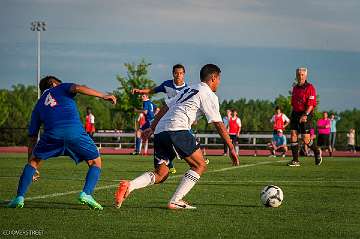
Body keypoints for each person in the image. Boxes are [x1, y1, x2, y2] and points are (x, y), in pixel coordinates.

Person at [114, 64, 239, 210]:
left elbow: (166, 107)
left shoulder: (188, 88)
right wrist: (231, 147)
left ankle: (130, 185)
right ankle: (176, 200)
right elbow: (218, 124)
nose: (219, 82)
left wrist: (152, 128)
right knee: (199, 165)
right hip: (177, 129)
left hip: (161, 130)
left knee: (161, 174)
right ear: (213, 77)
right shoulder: (208, 94)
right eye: (219, 79)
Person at [7, 76, 117, 209]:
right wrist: (103, 95)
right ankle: (86, 193)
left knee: (33, 162)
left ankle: (19, 197)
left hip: (52, 135)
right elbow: (78, 87)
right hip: (74, 132)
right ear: (54, 84)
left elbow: (32, 137)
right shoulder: (61, 88)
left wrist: (32, 165)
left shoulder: (38, 105)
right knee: (95, 162)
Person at [132, 64, 187, 173]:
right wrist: (140, 91)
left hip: (180, 119)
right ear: (173, 73)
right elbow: (153, 90)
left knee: (183, 139)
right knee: (162, 139)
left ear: (184, 74)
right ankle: (168, 163)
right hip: (167, 117)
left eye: (181, 73)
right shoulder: (167, 84)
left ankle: (196, 156)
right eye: (176, 73)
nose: (178, 75)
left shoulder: (187, 89)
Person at [288, 67, 322, 167]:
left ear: (306, 75)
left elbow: (311, 104)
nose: (300, 76)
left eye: (302, 75)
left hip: (306, 113)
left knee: (305, 139)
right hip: (295, 113)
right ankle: (295, 160)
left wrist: (305, 115)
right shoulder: (295, 87)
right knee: (293, 134)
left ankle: (316, 152)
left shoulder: (310, 87)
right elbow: (293, 103)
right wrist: (292, 115)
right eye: (298, 74)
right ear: (296, 75)